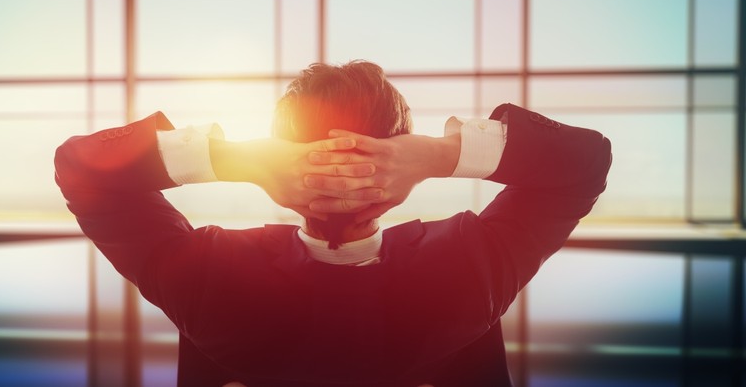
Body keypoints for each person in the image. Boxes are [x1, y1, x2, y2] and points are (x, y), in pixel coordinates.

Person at [55, 61, 612, 387]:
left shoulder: (208, 274)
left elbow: (81, 171)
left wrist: (240, 160)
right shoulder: (470, 265)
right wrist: (438, 155)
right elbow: (585, 163)